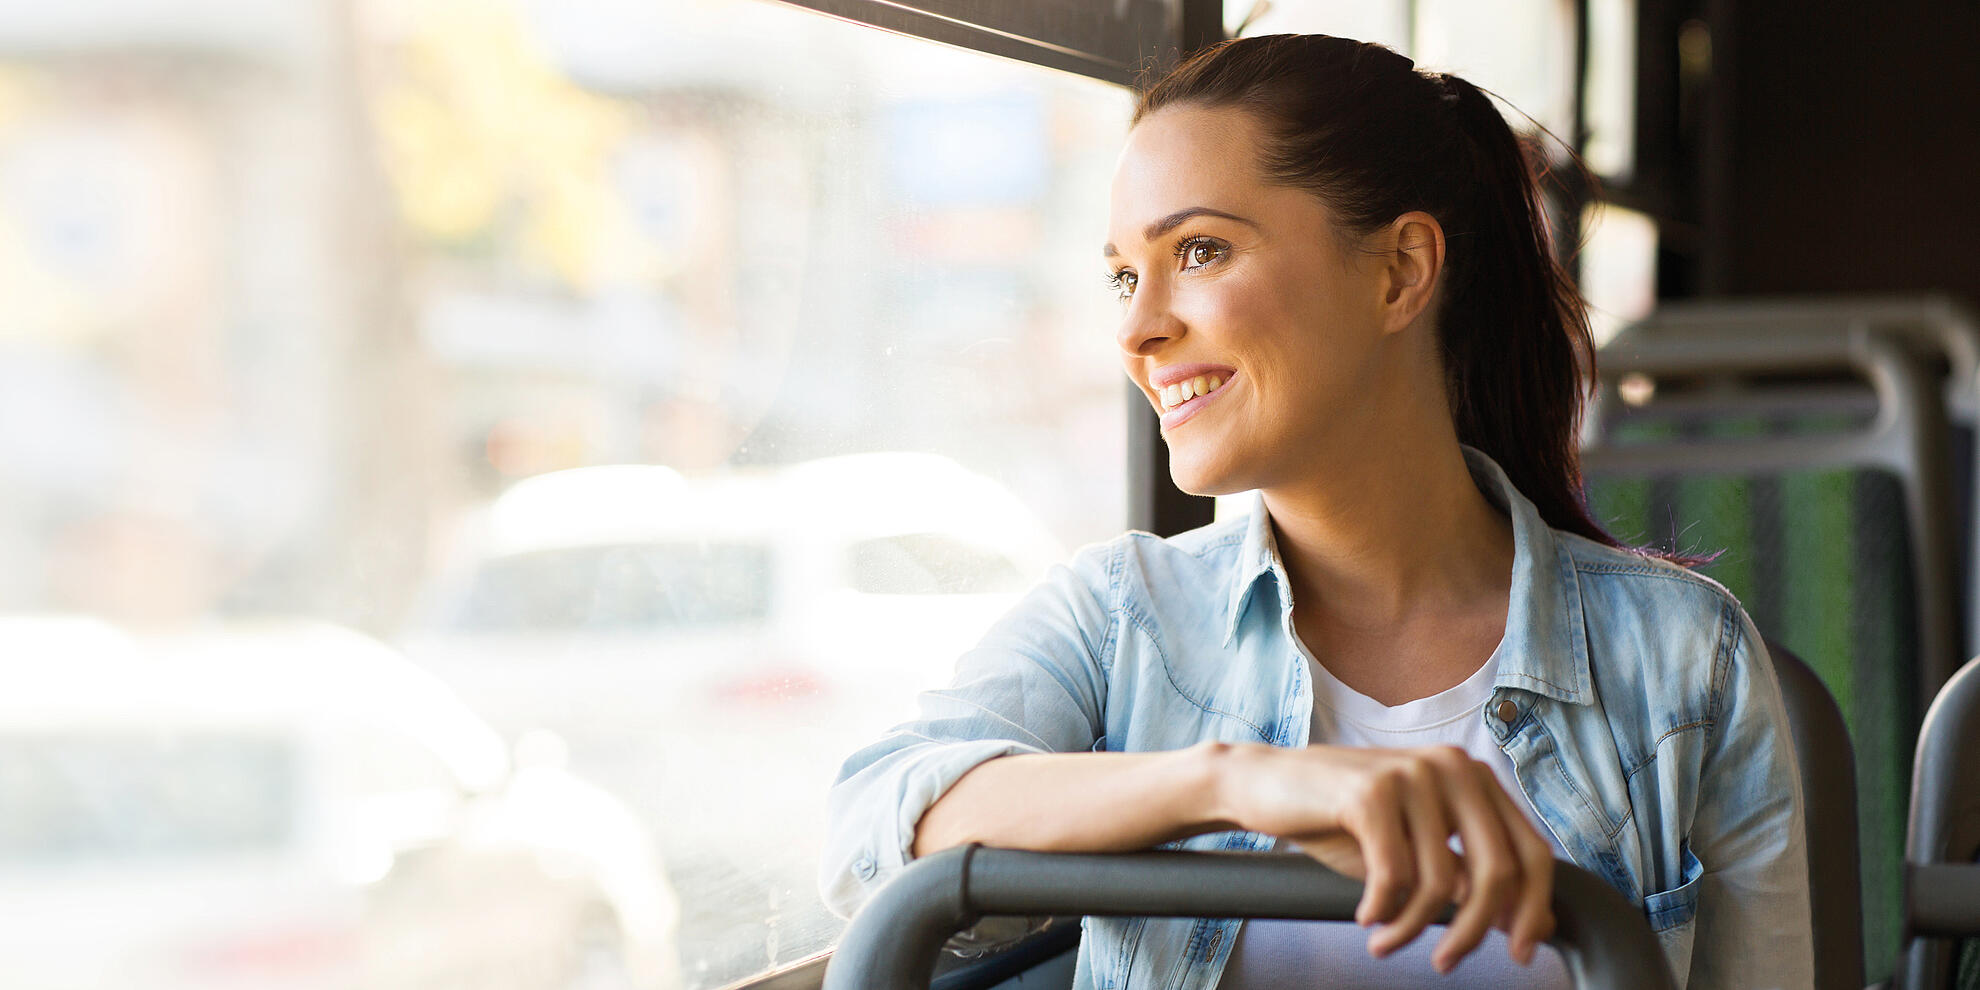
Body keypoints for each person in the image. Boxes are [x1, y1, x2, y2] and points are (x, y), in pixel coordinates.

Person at [819, 33, 1811, 990]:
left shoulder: (1685, 662)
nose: (1137, 327)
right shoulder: (1126, 617)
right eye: (1126, 274)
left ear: (1399, 272)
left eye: (1199, 251)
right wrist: (1227, 783)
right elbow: (874, 825)